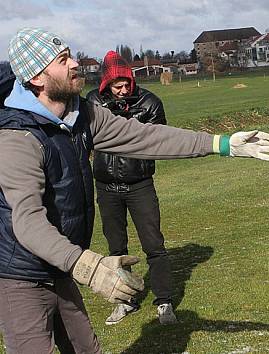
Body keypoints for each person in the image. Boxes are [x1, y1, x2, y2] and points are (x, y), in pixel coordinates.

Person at [0, 28, 269, 354]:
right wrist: (88, 267)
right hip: (19, 274)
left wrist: (221, 143)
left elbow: (144, 137)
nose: (75, 64)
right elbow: (27, 222)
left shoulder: (80, 114)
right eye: (63, 61)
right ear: (37, 78)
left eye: (70, 55)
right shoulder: (17, 138)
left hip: (60, 266)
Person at [85, 51, 175, 325]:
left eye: (127, 85)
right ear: (106, 85)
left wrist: (129, 121)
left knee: (154, 244)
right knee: (116, 249)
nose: (123, 90)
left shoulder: (149, 103)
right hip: (106, 185)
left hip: (139, 184)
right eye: (117, 86)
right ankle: (125, 302)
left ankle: (165, 301)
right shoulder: (93, 102)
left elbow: (159, 140)